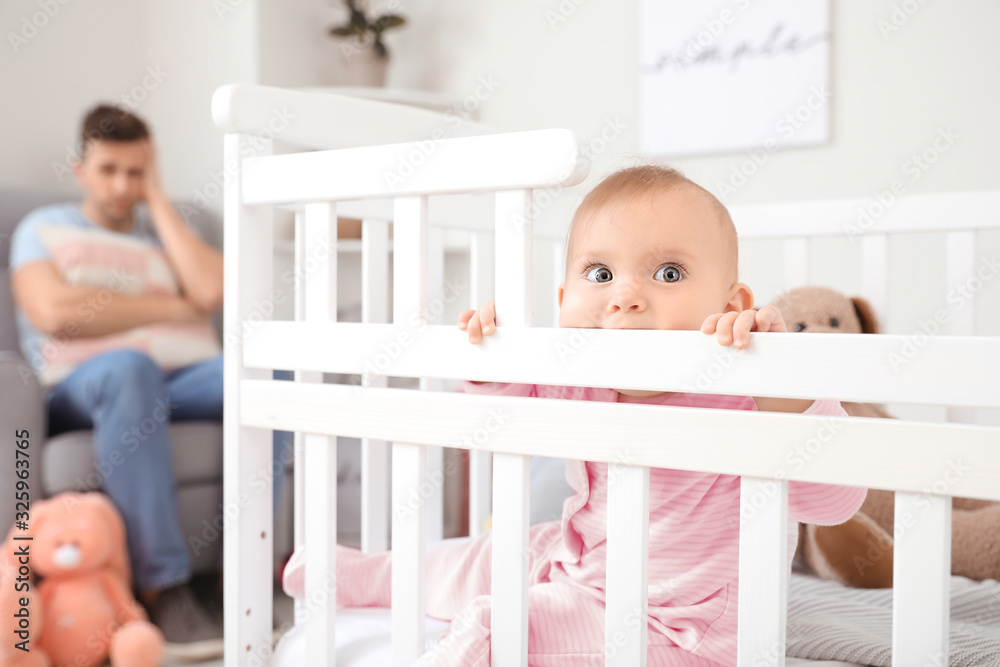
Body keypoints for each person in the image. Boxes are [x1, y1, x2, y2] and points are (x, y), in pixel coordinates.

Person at [281, 165, 867, 665]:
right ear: (564, 304)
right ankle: (371, 576)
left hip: (674, 630)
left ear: (733, 306)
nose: (624, 296)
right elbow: (500, 427)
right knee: (491, 553)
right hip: (577, 563)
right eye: (600, 274)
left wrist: (783, 385)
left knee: (497, 623)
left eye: (668, 274)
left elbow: (835, 502)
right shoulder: (580, 380)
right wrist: (496, 358)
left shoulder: (746, 390)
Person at [9, 104, 226, 660]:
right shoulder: (43, 229)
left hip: (185, 381)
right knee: (132, 367)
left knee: (261, 378)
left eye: (136, 171)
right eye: (109, 170)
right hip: (85, 385)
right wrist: (167, 309)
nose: (122, 184)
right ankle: (165, 585)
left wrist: (159, 200)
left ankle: (245, 568)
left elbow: (212, 293)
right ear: (80, 168)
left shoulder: (167, 230)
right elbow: (55, 311)